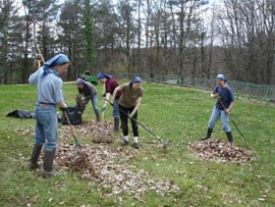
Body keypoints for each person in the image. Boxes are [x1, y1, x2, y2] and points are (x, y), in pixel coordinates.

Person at [28, 54, 70, 177]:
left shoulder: (42, 71)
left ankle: (33, 163)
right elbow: (59, 101)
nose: (65, 70)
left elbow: (31, 80)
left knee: (39, 138)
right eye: (65, 67)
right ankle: (47, 171)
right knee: (51, 141)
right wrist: (65, 106)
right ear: (57, 65)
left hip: (38, 109)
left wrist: (40, 69)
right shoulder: (57, 80)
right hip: (48, 111)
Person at [201, 74, 235, 145]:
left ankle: (231, 141)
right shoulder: (218, 87)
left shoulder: (228, 90)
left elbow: (232, 101)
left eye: (219, 81)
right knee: (211, 122)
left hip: (224, 110)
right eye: (217, 81)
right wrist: (214, 96)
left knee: (225, 126)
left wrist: (228, 109)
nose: (218, 83)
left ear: (223, 81)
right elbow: (212, 94)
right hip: (217, 108)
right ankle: (208, 136)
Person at [112, 76, 143, 149]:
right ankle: (126, 140)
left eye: (139, 84)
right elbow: (116, 89)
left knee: (134, 123)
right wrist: (113, 99)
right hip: (122, 105)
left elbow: (138, 103)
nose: (138, 86)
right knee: (124, 123)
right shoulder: (126, 86)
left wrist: (133, 113)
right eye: (137, 84)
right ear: (132, 83)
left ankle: (136, 142)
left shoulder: (140, 90)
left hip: (132, 107)